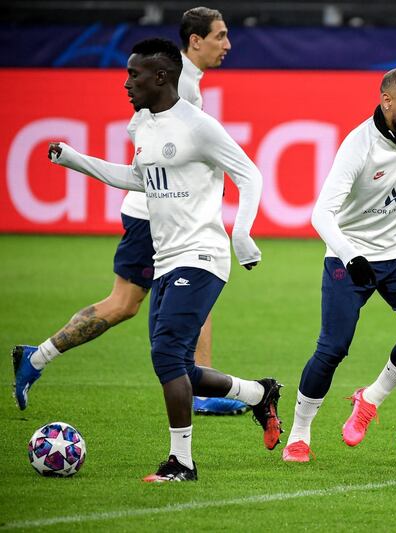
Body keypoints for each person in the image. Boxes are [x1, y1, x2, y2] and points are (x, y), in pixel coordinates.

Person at [46, 38, 282, 481]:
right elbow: (139, 179)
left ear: (161, 76)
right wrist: (75, 161)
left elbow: (249, 173)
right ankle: (258, 394)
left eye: (134, 74)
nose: (126, 82)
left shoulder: (199, 126)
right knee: (180, 365)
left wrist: (243, 233)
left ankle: (182, 463)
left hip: (204, 255)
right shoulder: (142, 126)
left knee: (167, 358)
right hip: (166, 256)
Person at [12, 6, 247, 416]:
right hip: (153, 215)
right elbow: (146, 151)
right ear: (195, 41)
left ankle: (38, 356)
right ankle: (199, 387)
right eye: (220, 36)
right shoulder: (180, 88)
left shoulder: (183, 82)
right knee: (138, 300)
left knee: (141, 301)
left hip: (156, 211)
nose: (227, 44)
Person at [281, 68, 396, 462]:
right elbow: (321, 213)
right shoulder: (358, 145)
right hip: (349, 255)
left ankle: (369, 400)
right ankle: (299, 435)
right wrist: (350, 256)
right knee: (333, 348)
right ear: (388, 102)